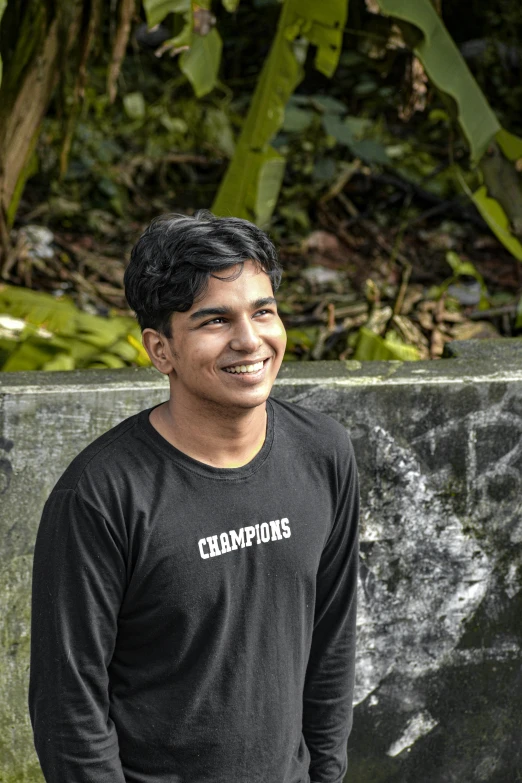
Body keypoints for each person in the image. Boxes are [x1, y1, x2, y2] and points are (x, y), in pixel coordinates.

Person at [28, 211, 360, 783]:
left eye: (263, 311)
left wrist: (326, 774)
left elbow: (332, 642)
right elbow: (69, 705)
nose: (250, 340)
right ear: (161, 350)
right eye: (215, 320)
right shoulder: (102, 497)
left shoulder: (323, 454)